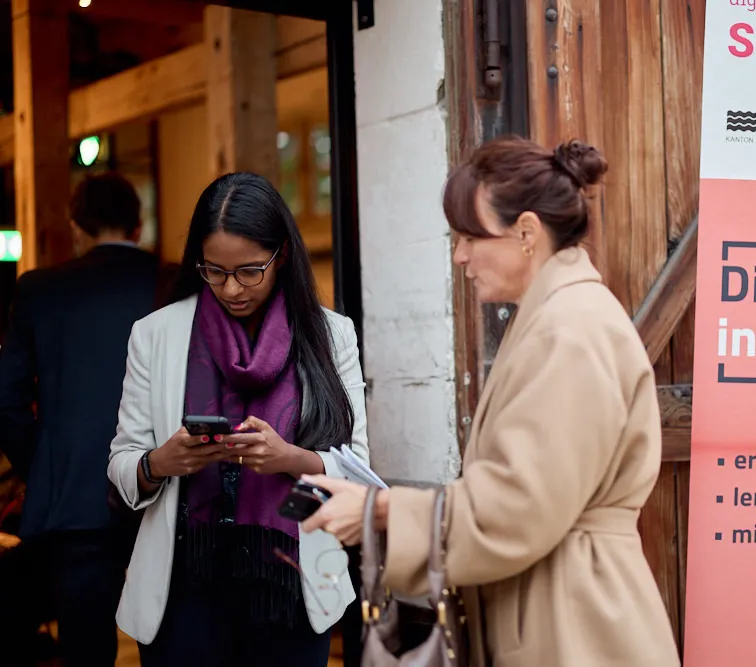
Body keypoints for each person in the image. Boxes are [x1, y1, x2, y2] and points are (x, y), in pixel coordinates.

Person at [300, 136, 682, 667]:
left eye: (469, 237)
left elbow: (518, 506)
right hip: (557, 604)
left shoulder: (569, 329)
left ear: (526, 233)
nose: (460, 256)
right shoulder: (558, 318)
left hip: (576, 624)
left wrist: (379, 509)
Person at [106, 171, 369, 667]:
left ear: (282, 254)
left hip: (291, 585)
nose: (232, 288)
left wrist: (287, 458)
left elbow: (358, 466)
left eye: (250, 270)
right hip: (183, 589)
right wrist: (161, 461)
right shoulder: (156, 334)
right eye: (215, 271)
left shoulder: (331, 335)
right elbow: (122, 463)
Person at [0, 172, 164, 667]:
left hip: (74, 500)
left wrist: (46, 466)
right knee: (171, 642)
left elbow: (6, 401)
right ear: (138, 227)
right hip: (167, 494)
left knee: (84, 649)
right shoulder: (176, 281)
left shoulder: (40, 291)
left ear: (76, 228)